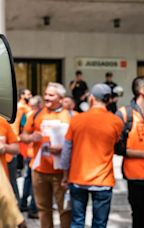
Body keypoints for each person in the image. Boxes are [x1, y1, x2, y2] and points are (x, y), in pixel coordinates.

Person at [61, 84, 124, 228]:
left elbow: (66, 151)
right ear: (108, 100)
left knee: (77, 221)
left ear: (91, 99)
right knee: (100, 224)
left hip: (78, 179)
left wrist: (65, 175)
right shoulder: (116, 122)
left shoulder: (76, 120)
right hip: (103, 180)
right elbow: (116, 143)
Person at [20, 82, 72, 228]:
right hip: (39, 170)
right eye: (46, 94)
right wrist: (31, 138)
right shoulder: (36, 114)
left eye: (51, 95)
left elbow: (77, 142)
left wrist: (63, 148)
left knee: (65, 210)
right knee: (43, 209)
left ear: (61, 98)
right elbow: (23, 136)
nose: (46, 97)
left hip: (62, 172)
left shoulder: (69, 116)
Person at [115, 76, 144, 228]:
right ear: (142, 91)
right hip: (135, 177)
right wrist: (141, 154)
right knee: (139, 215)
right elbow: (116, 147)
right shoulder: (125, 114)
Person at [19, 95, 42, 219]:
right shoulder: (37, 116)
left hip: (28, 151)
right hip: (35, 153)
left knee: (28, 179)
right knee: (34, 181)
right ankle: (33, 208)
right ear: (39, 105)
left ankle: (23, 203)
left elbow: (23, 132)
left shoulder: (26, 115)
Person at [9, 88, 33, 205]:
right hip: (16, 139)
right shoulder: (22, 106)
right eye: (28, 94)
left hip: (14, 138)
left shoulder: (17, 106)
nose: (30, 96)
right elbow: (32, 114)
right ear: (22, 96)